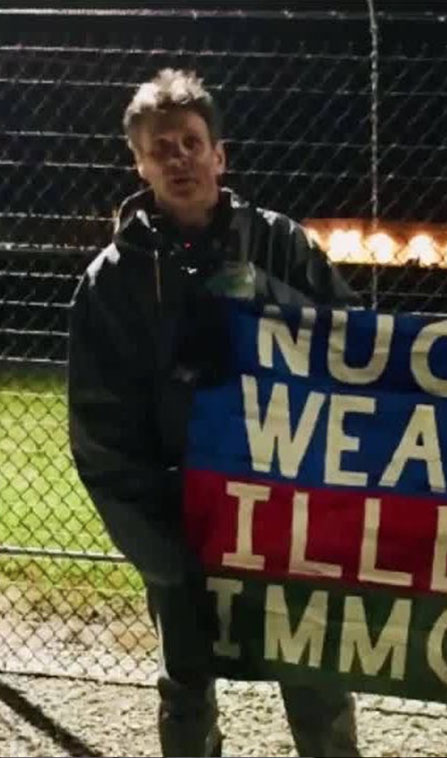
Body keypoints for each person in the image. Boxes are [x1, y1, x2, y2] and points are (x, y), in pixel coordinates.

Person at [67, 68, 362, 757]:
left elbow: (353, 346)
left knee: (315, 672)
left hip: (287, 511)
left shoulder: (282, 245)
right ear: (138, 164)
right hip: (181, 514)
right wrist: (162, 550)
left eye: (191, 142)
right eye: (160, 147)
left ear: (219, 155)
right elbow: (101, 431)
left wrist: (266, 295)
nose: (178, 158)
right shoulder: (112, 282)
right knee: (187, 681)